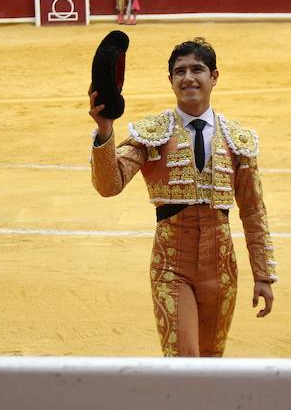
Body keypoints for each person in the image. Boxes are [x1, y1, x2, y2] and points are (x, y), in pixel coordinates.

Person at [89, 37, 277, 357]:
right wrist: (105, 130)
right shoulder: (154, 132)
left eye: (197, 69)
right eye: (180, 71)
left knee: (210, 360)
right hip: (171, 266)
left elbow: (253, 210)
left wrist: (263, 275)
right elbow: (110, 184)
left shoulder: (237, 139)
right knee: (183, 361)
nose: (188, 78)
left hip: (221, 267)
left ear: (214, 76)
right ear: (171, 81)